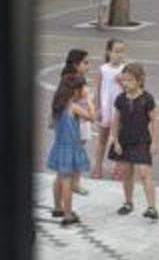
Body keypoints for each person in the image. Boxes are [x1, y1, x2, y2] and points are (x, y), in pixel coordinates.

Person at [109, 63, 159, 220]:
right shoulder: (120, 99)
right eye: (124, 80)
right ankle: (128, 202)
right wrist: (115, 140)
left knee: (145, 173)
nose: (126, 83)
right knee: (126, 173)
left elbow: (155, 121)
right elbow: (115, 121)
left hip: (142, 140)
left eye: (130, 80)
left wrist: (155, 142)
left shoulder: (147, 98)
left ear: (139, 80)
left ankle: (152, 207)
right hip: (124, 140)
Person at [47, 74, 95, 227]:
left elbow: (51, 125)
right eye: (82, 89)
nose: (83, 91)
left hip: (59, 146)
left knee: (59, 177)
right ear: (75, 91)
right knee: (67, 182)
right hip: (70, 147)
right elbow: (92, 117)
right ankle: (68, 215)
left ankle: (57, 208)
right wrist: (88, 100)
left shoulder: (57, 106)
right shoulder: (73, 107)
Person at [92, 39, 126, 180]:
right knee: (102, 139)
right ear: (109, 52)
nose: (119, 55)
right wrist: (97, 108)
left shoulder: (125, 69)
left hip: (119, 110)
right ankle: (98, 167)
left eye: (122, 51)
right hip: (106, 109)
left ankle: (118, 168)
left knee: (118, 140)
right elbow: (98, 89)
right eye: (116, 51)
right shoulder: (103, 69)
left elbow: (130, 89)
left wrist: (121, 82)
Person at [59, 49, 92, 197]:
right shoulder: (70, 79)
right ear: (75, 64)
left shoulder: (81, 78)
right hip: (75, 119)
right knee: (73, 150)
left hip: (83, 117)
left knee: (80, 147)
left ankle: (75, 182)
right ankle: (69, 181)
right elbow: (68, 101)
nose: (88, 66)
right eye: (85, 63)